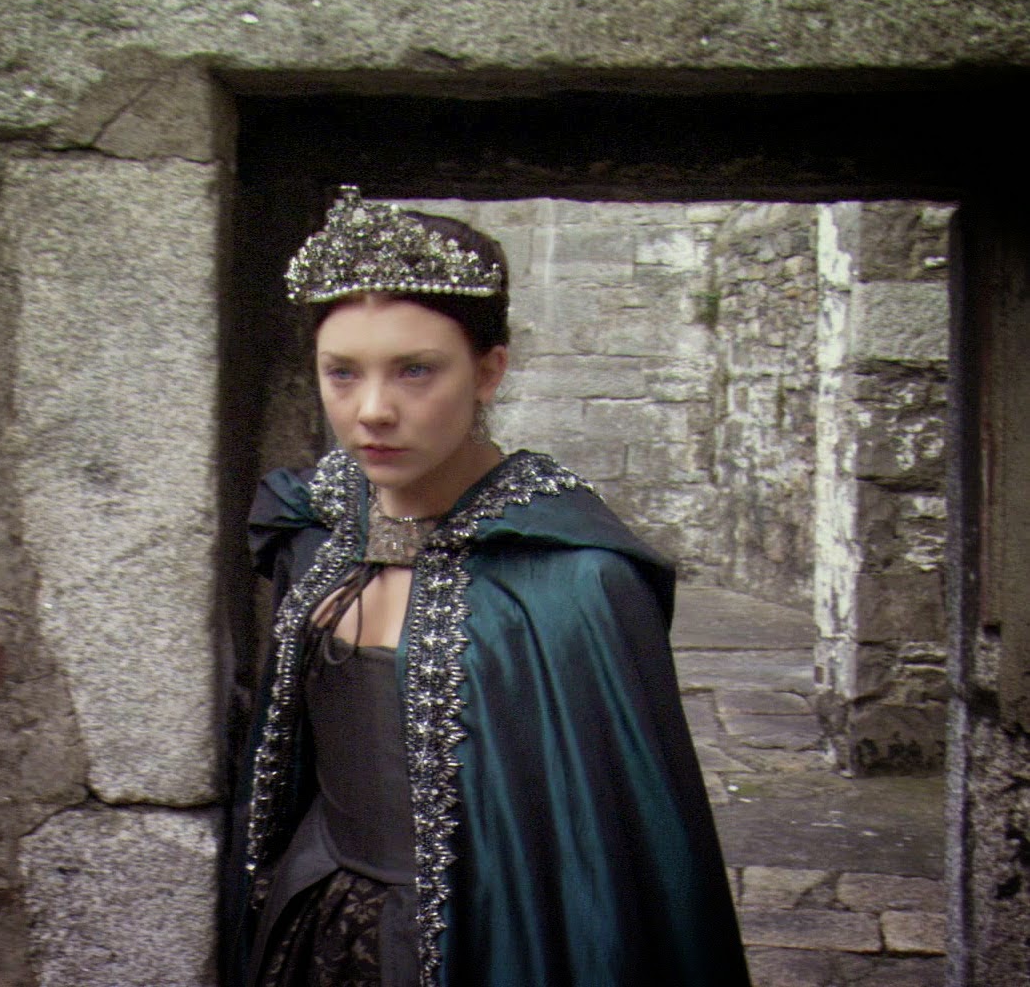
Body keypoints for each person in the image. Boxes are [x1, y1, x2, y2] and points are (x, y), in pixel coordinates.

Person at [226, 186, 751, 986]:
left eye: (416, 370)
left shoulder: (578, 581)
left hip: (496, 944)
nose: (373, 410)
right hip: (311, 930)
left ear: (488, 371)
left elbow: (625, 865)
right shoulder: (319, 531)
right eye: (342, 373)